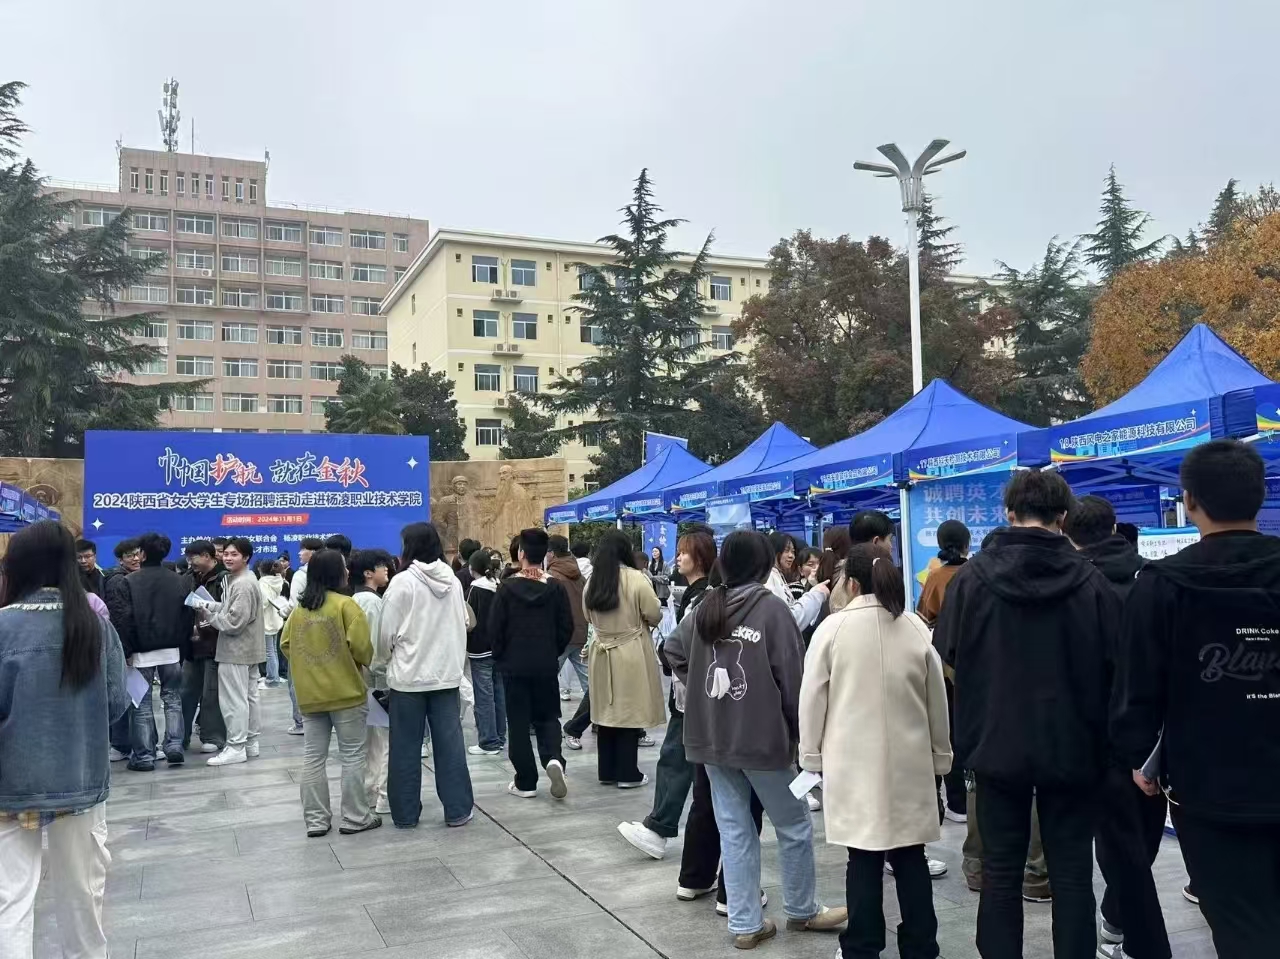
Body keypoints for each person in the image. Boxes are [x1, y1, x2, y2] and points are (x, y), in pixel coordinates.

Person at [933, 470, 1119, 959]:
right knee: (1072, 874)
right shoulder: (1092, 582)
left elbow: (948, 652)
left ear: (1009, 513)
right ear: (1063, 516)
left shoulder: (970, 580)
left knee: (999, 872)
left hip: (995, 743)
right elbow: (1114, 664)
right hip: (1074, 746)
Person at [1114, 439, 1280, 959]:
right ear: (1260, 495)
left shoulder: (1160, 584)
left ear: (1189, 501)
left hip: (1206, 783)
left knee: (1235, 918)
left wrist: (1141, 760)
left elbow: (1137, 686)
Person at [665, 530, 847, 948]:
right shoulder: (772, 610)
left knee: (734, 829)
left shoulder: (707, 605)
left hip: (712, 737)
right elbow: (793, 681)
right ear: (765, 565)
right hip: (762, 740)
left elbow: (672, 651)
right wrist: (803, 737)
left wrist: (702, 690)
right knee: (794, 823)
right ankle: (802, 910)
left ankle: (745, 924)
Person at [800, 543, 951, 959]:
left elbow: (811, 699)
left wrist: (810, 755)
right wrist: (941, 755)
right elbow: (937, 698)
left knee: (862, 858)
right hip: (911, 763)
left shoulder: (832, 629)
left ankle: (862, 947)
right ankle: (921, 946)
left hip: (852, 764)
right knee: (911, 856)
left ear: (851, 583)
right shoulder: (915, 627)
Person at [0, 520, 129, 959]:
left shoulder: (3, 626)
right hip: (81, 778)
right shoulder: (94, 626)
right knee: (83, 894)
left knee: (10, 901)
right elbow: (116, 704)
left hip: (9, 784)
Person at [1064, 495, 1167, 959]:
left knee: (1111, 839)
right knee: (1141, 835)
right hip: (1151, 734)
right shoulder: (1153, 578)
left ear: (1066, 529)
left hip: (1093, 733)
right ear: (1113, 527)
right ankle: (1118, 917)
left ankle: (1120, 921)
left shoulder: (1073, 583)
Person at [618, 530, 716, 858]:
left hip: (691, 694)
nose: (679, 558)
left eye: (685, 552)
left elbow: (685, 646)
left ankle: (659, 828)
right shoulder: (696, 594)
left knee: (675, 758)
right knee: (681, 760)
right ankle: (659, 826)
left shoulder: (703, 596)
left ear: (701, 557)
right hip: (690, 691)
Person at [378, 522, 474, 828]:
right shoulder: (453, 582)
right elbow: (463, 623)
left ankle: (405, 815)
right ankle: (458, 810)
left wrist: (386, 659)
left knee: (405, 748)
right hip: (446, 675)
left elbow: (385, 634)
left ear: (409, 547)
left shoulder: (402, 582)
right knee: (450, 745)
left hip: (408, 678)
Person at [280, 549, 381, 837]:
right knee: (352, 756)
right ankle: (355, 817)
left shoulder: (299, 611)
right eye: (344, 568)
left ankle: (316, 821)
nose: (348, 572)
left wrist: (308, 666)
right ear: (336, 573)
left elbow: (285, 645)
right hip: (346, 693)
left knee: (313, 757)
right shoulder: (346, 605)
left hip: (310, 696)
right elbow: (363, 649)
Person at [490, 528, 574, 799]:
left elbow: (495, 629)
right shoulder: (555, 587)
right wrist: (552, 651)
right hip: (545, 664)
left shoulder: (506, 588)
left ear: (521, 553)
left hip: (514, 666)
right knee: (547, 716)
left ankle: (525, 782)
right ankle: (553, 758)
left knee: (518, 723)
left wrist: (501, 656)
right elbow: (566, 627)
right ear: (545, 555)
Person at [584, 530, 665, 788]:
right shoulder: (636, 578)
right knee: (629, 711)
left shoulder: (593, 580)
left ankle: (606, 771)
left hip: (601, 651)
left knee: (606, 711)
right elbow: (654, 613)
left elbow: (587, 615)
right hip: (630, 650)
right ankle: (628, 773)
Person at [915, 518, 971, 826]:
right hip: (980, 665)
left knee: (948, 733)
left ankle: (957, 802)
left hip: (945, 669)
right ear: (967, 544)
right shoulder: (978, 573)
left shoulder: (935, 578)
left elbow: (923, 621)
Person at [118, 532, 191, 771]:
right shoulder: (180, 581)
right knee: (173, 698)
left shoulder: (129, 581)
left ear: (142, 553)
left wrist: (126, 650)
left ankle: (144, 756)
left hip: (140, 653)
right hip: (172, 651)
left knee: (141, 703)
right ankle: (174, 745)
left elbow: (124, 620)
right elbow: (187, 617)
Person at [206, 537, 266, 767]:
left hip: (235, 650)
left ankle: (235, 746)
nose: (228, 558)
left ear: (246, 557)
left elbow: (233, 623)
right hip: (249, 649)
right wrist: (213, 606)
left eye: (234, 554)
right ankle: (250, 743)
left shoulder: (242, 584)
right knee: (249, 697)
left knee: (234, 700)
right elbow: (234, 610)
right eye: (226, 553)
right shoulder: (246, 579)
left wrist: (210, 616)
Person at [349, 549, 392, 815]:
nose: (386, 569)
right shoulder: (373, 603)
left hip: (359, 680)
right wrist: (384, 679)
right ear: (367, 573)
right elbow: (377, 650)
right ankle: (383, 795)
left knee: (368, 742)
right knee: (384, 741)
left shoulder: (353, 600)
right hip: (375, 680)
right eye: (381, 566)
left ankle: (368, 791)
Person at [181, 540, 227, 754]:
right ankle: (179, 737)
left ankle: (213, 736)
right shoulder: (188, 578)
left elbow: (228, 610)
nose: (190, 562)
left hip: (214, 644)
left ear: (208, 556)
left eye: (194, 557)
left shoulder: (224, 578)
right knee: (186, 692)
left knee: (211, 693)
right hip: (192, 644)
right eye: (188, 558)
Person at [103, 537, 142, 763]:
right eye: (130, 556)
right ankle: (120, 745)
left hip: (137, 647)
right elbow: (120, 618)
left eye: (137, 554)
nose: (135, 558)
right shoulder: (117, 581)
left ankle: (131, 743)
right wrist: (125, 652)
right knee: (125, 696)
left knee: (135, 696)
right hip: (124, 648)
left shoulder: (137, 577)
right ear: (120, 560)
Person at [463, 549, 505, 757]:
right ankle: (500, 737)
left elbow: (468, 619)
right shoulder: (498, 586)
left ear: (472, 568)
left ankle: (488, 741)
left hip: (480, 649)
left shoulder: (475, 589)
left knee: (484, 696)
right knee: (499, 693)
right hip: (499, 648)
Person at [547, 534, 589, 700]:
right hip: (580, 632)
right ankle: (598, 713)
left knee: (546, 680)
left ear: (551, 553)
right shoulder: (578, 573)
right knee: (589, 682)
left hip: (560, 636)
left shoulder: (552, 577)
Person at [765, 531, 828, 632]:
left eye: (793, 551)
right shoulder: (769, 578)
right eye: (786, 551)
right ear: (773, 551)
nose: (791, 556)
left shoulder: (778, 575)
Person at [257, 559, 286, 689]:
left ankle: (272, 679)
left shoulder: (263, 583)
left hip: (266, 621)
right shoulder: (277, 580)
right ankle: (274, 676)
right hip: (274, 619)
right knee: (273, 651)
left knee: (269, 652)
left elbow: (263, 602)